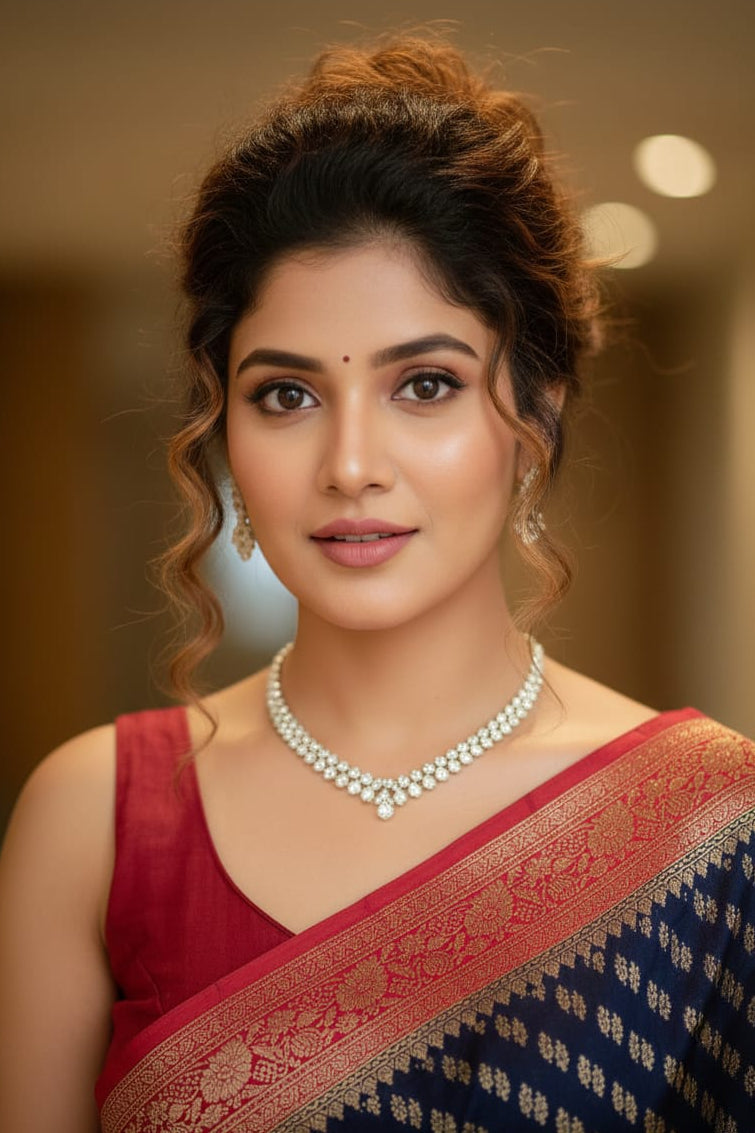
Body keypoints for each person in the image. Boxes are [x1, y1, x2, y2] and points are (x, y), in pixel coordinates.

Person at [1, 33, 753, 1133]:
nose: (350, 462)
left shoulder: (709, 824)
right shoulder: (95, 822)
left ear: (534, 416)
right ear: (221, 427)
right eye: (286, 396)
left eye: (426, 383)